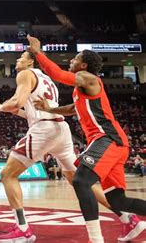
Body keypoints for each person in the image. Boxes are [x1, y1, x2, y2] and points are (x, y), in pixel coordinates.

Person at [28, 35, 146, 243]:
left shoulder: (88, 78)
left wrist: (38, 52)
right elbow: (73, 109)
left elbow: (57, 73)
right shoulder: (81, 88)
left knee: (81, 181)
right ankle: (133, 225)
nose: (70, 61)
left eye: (74, 59)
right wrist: (50, 108)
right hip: (111, 143)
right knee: (117, 199)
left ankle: (95, 239)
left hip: (108, 139)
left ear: (83, 65)